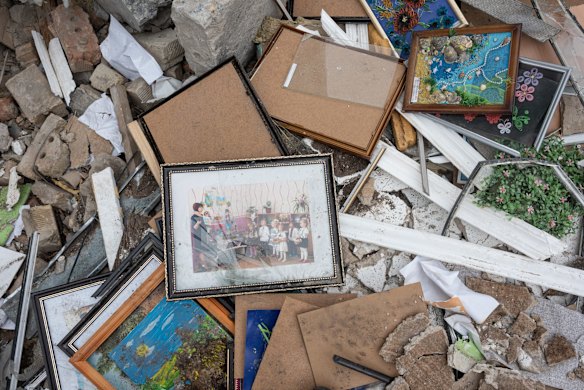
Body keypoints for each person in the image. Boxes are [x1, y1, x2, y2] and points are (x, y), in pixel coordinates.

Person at [191, 202, 216, 272]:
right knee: (201, 252)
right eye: (200, 207)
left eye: (202, 207)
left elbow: (206, 226)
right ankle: (205, 267)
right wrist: (197, 223)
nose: (201, 208)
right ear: (196, 208)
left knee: (204, 251)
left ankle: (205, 266)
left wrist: (209, 223)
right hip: (198, 237)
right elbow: (193, 228)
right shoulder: (193, 217)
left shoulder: (202, 216)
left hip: (204, 236)